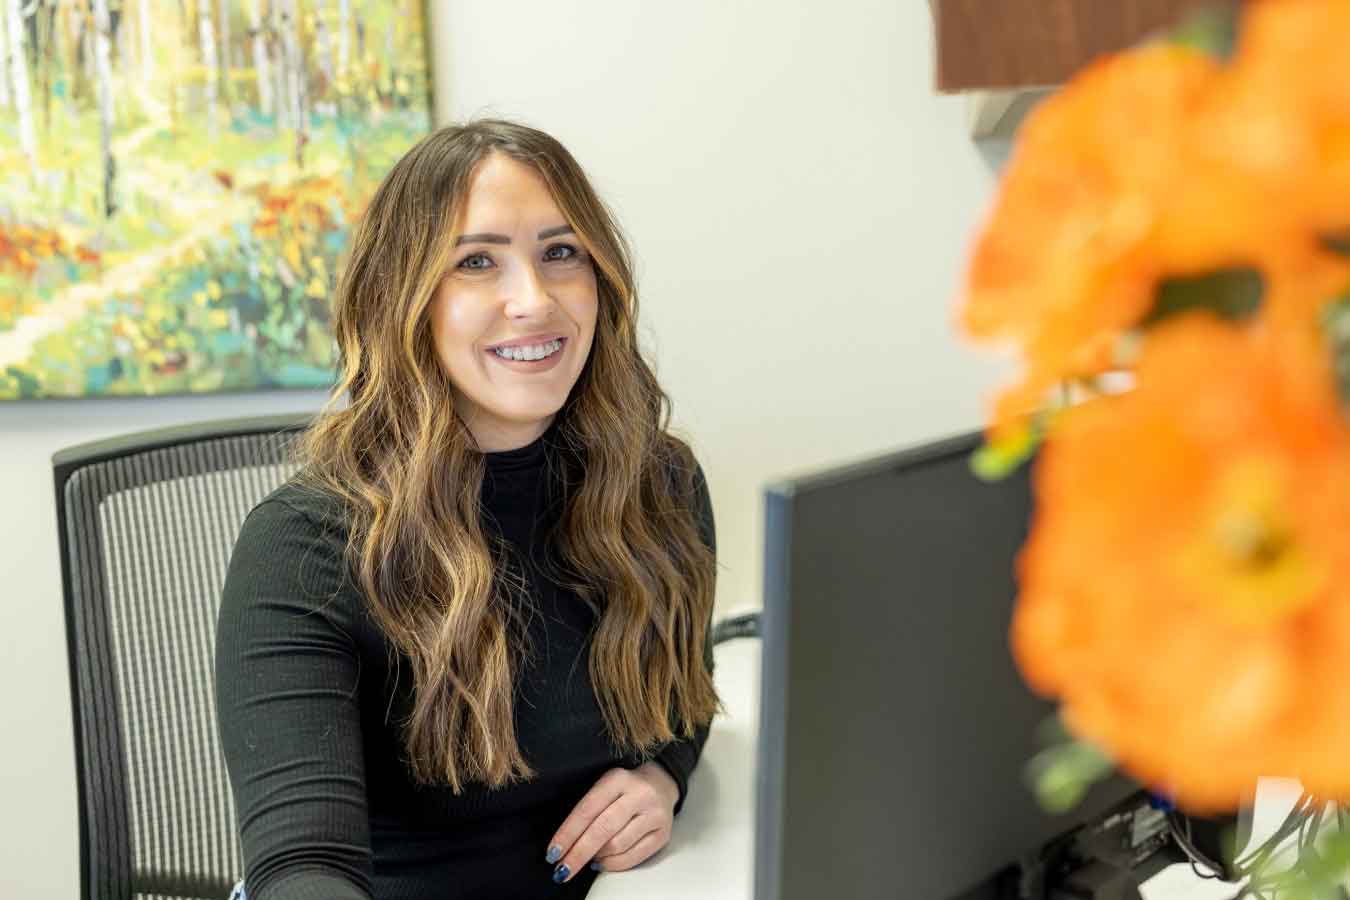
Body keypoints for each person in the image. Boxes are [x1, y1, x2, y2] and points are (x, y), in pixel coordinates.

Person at [215, 118, 720, 900]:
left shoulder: (659, 489)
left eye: (561, 253)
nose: (534, 300)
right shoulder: (307, 546)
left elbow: (687, 685)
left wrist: (663, 777)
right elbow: (301, 866)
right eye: (477, 262)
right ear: (405, 299)